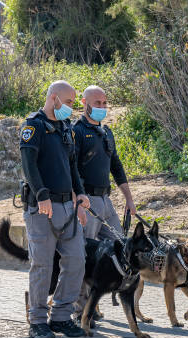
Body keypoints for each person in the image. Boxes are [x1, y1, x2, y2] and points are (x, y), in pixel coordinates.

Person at [19, 80, 91, 338]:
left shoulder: (65, 128)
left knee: (76, 260)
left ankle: (61, 316)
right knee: (42, 264)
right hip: (43, 207)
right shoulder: (33, 125)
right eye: (69, 102)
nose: (72, 108)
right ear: (53, 98)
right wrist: (41, 195)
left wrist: (80, 193)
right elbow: (29, 164)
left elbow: (72, 166)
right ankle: (37, 320)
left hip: (67, 206)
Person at [72, 85, 137, 314]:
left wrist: (128, 198)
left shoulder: (106, 132)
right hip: (86, 201)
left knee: (120, 247)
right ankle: (81, 310)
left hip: (106, 201)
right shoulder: (76, 132)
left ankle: (100, 301)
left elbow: (116, 166)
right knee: (84, 256)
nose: (102, 107)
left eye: (104, 103)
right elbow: (72, 169)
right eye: (97, 103)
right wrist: (78, 201)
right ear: (84, 103)